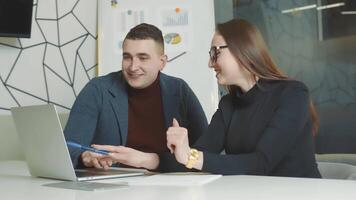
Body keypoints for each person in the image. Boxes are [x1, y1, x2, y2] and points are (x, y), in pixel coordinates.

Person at [161, 19, 321, 177]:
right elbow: (199, 155)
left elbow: (262, 163)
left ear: (242, 49)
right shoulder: (228, 104)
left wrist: (191, 157)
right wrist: (156, 157)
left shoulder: (293, 94)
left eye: (215, 52)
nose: (210, 63)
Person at [64, 23, 208, 170]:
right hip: (113, 186)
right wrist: (84, 156)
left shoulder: (179, 90)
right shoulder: (97, 89)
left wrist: (180, 157)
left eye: (143, 58)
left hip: (169, 183)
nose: (133, 67)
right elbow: (68, 147)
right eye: (127, 57)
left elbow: (208, 152)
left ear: (162, 62)